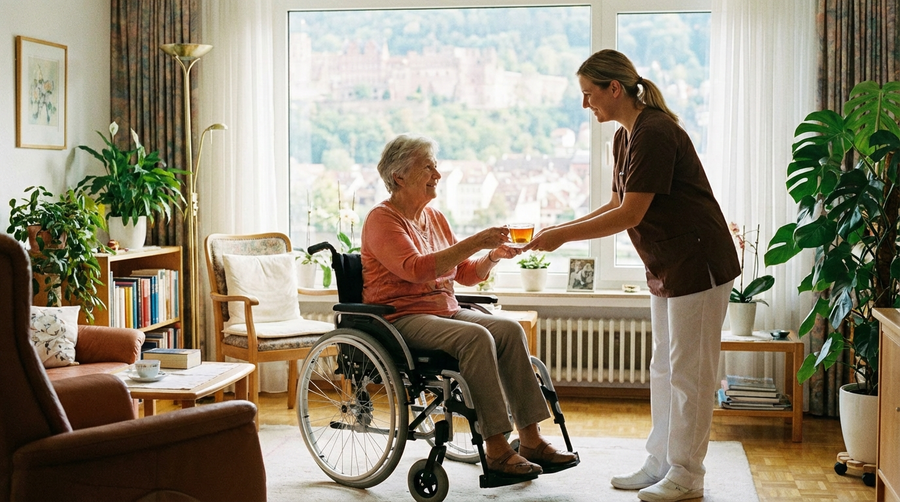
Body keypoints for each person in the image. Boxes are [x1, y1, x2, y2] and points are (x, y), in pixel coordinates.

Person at [526, 49, 740, 502]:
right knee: (663, 368)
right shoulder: (625, 136)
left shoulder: (656, 132)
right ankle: (661, 462)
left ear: (614, 88)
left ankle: (687, 474)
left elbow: (630, 212)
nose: (586, 105)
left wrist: (561, 238)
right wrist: (559, 229)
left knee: (691, 375)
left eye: (589, 94)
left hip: (697, 262)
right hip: (667, 263)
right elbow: (615, 204)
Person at [361, 134, 578, 480]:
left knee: (508, 329)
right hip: (401, 318)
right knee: (476, 337)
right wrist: (476, 240)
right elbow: (416, 269)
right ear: (399, 176)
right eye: (427, 166)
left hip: (443, 311)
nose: (438, 174)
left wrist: (491, 256)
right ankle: (495, 449)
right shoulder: (382, 220)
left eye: (435, 165)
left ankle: (531, 439)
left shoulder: (434, 218)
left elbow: (462, 273)